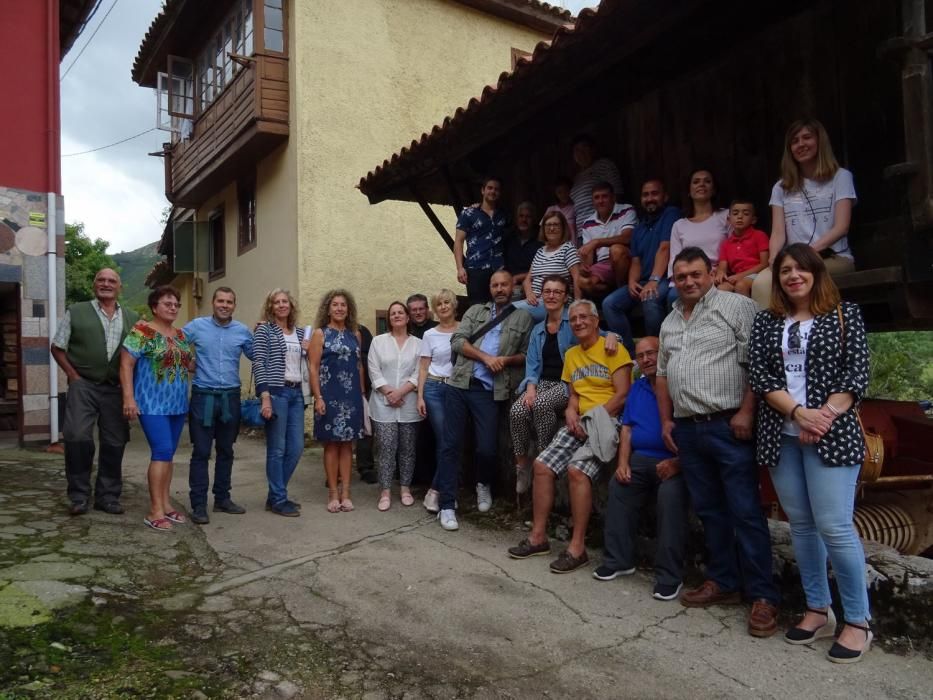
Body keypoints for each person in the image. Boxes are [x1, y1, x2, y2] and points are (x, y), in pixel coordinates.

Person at [748, 243, 872, 663]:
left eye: (800, 269)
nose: (792, 276)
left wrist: (821, 417)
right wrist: (799, 414)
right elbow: (760, 373)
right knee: (801, 525)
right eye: (784, 270)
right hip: (781, 433)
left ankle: (859, 621)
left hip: (831, 435)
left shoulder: (844, 315)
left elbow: (857, 373)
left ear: (817, 273)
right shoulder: (767, 322)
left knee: (835, 526)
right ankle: (818, 609)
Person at [656, 247, 780, 637]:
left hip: (728, 424)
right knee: (710, 511)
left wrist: (746, 411)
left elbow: (757, 361)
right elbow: (662, 374)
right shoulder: (670, 319)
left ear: (711, 273)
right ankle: (724, 582)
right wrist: (666, 420)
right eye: (681, 277)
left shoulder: (735, 307)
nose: (689, 282)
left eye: (695, 274)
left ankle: (763, 596)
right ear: (673, 280)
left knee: (745, 511)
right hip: (689, 429)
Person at [508, 299, 632, 573]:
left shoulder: (614, 349)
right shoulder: (573, 354)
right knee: (541, 465)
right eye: (573, 318)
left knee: (577, 470)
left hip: (607, 422)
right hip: (579, 422)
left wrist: (592, 419)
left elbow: (623, 395)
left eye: (584, 317)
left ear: (596, 321)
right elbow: (573, 393)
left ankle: (577, 548)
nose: (578, 322)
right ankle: (538, 537)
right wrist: (572, 413)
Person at [435, 270, 533, 531]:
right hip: (459, 384)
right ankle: (447, 504)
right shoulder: (475, 311)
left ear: (513, 287)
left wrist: (507, 360)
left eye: (504, 284)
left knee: (487, 448)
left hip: (490, 391)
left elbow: (526, 354)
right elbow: (457, 341)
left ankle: (482, 484)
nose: (500, 289)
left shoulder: (523, 317)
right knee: (450, 446)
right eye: (495, 285)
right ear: (490, 289)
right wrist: (485, 358)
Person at [596, 336, 688, 601]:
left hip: (674, 463)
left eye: (652, 353)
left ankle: (670, 576)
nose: (646, 359)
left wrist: (678, 462)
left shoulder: (679, 385)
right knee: (618, 485)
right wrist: (623, 462)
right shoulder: (637, 388)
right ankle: (618, 561)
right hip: (641, 458)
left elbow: (694, 435)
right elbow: (627, 428)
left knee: (670, 498)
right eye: (641, 355)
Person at [510, 275, 620, 495]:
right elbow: (532, 365)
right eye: (547, 291)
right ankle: (522, 465)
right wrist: (530, 388)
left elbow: (606, 335)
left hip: (566, 383)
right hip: (542, 382)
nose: (551, 296)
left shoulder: (574, 322)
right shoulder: (538, 329)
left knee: (541, 404)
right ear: (541, 295)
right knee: (518, 410)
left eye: (557, 292)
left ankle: (544, 457)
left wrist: (614, 337)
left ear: (565, 296)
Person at [51, 268, 139, 516]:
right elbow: (57, 347)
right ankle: (79, 496)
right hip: (84, 385)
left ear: (119, 287)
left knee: (114, 441)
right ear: (94, 284)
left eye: (112, 281)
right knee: (77, 436)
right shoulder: (76, 312)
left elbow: (141, 356)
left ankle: (108, 496)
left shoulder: (133, 319)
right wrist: (73, 376)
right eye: (101, 279)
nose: (106, 284)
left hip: (115, 388)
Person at [752, 119, 858, 308]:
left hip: (832, 258)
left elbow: (842, 227)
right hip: (792, 260)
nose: (801, 144)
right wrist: (774, 258)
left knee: (803, 277)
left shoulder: (840, 177)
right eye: (795, 141)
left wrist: (807, 253)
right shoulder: (781, 187)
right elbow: (778, 232)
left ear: (819, 141)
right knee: (762, 282)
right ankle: (772, 335)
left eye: (806, 138)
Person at [120, 286, 194, 531]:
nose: (173, 307)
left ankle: (165, 503)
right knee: (161, 451)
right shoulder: (142, 331)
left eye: (176, 304)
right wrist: (129, 399)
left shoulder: (181, 335)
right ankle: (154, 511)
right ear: (154, 307)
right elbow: (126, 364)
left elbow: (187, 364)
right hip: (151, 403)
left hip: (177, 404)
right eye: (167, 303)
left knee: (168, 455)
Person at [182, 287, 254, 524]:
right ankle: (199, 505)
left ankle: (222, 498)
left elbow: (256, 355)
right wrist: (189, 363)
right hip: (203, 397)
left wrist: (265, 331)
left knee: (226, 451)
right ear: (213, 303)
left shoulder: (242, 331)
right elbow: (175, 344)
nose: (224, 305)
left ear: (234, 305)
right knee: (201, 452)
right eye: (220, 301)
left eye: (229, 302)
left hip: (230, 399)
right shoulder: (196, 327)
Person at [602, 178, 680, 355]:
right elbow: (635, 260)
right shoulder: (639, 228)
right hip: (644, 280)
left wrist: (653, 280)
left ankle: (657, 353)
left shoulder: (671, 214)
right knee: (610, 304)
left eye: (655, 193)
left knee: (650, 298)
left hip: (664, 278)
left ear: (665, 196)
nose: (650, 198)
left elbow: (664, 248)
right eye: (645, 195)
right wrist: (631, 281)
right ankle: (630, 354)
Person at [309, 289, 366, 513]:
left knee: (347, 446)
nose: (340, 308)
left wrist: (361, 395)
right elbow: (313, 368)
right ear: (328, 308)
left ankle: (346, 493)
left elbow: (359, 366)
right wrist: (318, 397)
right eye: (335, 305)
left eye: (343, 305)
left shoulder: (356, 334)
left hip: (351, 396)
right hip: (328, 396)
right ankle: (333, 492)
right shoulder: (319, 334)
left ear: (348, 309)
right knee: (331, 444)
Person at [253, 289, 308, 518]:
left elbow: (313, 362)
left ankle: (276, 494)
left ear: (291, 306)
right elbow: (259, 363)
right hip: (277, 393)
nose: (282, 305)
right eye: (277, 302)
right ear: (271, 307)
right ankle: (278, 499)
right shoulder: (264, 330)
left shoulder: (302, 332)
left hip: (297, 394)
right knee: (277, 449)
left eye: (285, 301)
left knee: (296, 448)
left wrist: (309, 350)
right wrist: (265, 397)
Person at [369, 301, 423, 511]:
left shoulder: (418, 343)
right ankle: (385, 491)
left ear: (408, 318)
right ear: (389, 319)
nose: (397, 316)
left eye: (401, 312)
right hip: (383, 405)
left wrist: (400, 392)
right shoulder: (378, 342)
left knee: (408, 449)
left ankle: (405, 488)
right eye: (393, 313)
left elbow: (419, 372)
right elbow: (374, 371)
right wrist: (389, 393)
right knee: (386, 449)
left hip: (409, 404)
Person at [417, 289, 459, 513]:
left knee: (453, 442)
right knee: (445, 440)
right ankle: (438, 491)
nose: (443, 307)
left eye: (446, 302)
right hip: (434, 388)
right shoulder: (429, 335)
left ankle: (441, 490)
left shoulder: (465, 329)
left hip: (456, 389)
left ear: (453, 305)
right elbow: (423, 367)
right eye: (439, 304)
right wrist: (420, 396)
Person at [667, 169, 729, 308]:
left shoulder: (726, 216)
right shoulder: (679, 225)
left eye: (707, 181)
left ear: (713, 190)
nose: (701, 184)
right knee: (672, 296)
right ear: (689, 191)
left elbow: (737, 246)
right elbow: (675, 259)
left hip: (720, 274)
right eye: (696, 182)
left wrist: (720, 271)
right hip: (688, 275)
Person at [513, 210, 581, 322]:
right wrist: (530, 294)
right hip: (534, 302)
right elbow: (527, 280)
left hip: (555, 303)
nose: (551, 228)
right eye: (548, 225)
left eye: (555, 225)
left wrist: (578, 306)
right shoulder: (540, 251)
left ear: (563, 228)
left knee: (509, 311)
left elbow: (577, 278)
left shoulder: (568, 249)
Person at [454, 176, 509, 304]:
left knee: (500, 306)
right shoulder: (468, 214)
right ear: (483, 190)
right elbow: (458, 241)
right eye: (490, 188)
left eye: (496, 189)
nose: (493, 191)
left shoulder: (504, 214)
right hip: (475, 269)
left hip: (498, 269)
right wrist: (460, 268)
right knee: (477, 308)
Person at [577, 182, 637, 298]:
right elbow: (588, 259)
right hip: (603, 265)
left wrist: (597, 242)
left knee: (616, 250)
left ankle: (622, 291)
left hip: (626, 259)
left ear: (613, 197)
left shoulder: (626, 210)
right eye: (596, 197)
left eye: (604, 196)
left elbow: (627, 237)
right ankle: (613, 291)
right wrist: (584, 268)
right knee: (582, 282)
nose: (600, 201)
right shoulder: (588, 223)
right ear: (593, 201)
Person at [569, 134, 624, 231]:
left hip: (602, 228)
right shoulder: (577, 178)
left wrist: (609, 225)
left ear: (592, 150)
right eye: (577, 150)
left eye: (584, 148)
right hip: (582, 232)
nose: (581, 153)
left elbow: (617, 194)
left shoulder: (604, 165)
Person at [715, 199, 769, 297]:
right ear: (729, 219)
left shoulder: (759, 236)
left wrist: (740, 276)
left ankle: (749, 313)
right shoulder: (726, 243)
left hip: (757, 274)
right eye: (735, 213)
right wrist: (720, 273)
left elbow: (764, 263)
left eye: (746, 213)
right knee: (722, 288)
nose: (740, 217)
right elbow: (722, 267)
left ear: (753, 220)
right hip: (735, 276)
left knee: (741, 286)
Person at [504, 201, 543, 298]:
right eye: (521, 216)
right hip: (509, 283)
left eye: (528, 217)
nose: (524, 220)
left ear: (533, 219)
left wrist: (518, 277)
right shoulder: (509, 238)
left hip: (532, 285)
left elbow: (542, 270)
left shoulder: (540, 242)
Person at [542, 176, 577, 245]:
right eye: (559, 192)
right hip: (555, 247)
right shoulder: (551, 209)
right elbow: (543, 230)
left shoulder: (575, 208)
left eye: (566, 191)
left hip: (572, 247)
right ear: (555, 193)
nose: (563, 194)